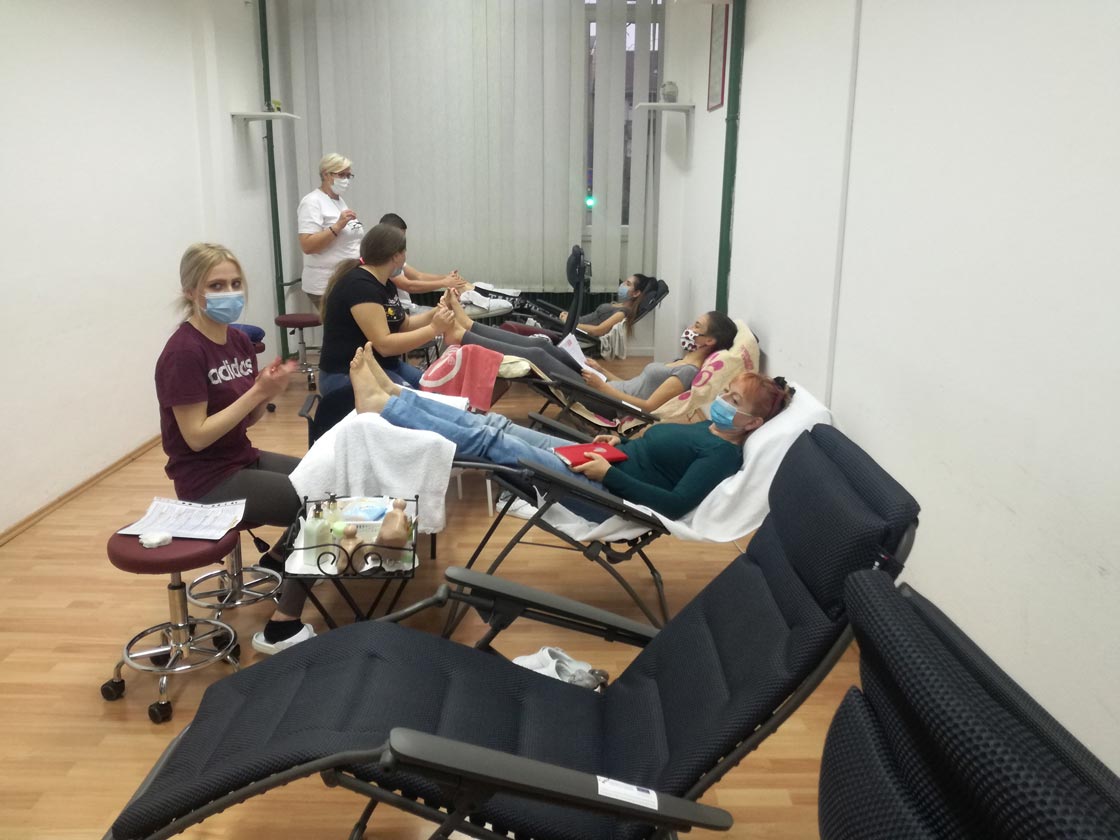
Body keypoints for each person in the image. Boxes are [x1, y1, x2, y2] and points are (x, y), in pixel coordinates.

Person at [346, 343, 794, 521]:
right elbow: (656, 457)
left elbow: (674, 505)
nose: (723, 399)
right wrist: (620, 443)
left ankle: (385, 406)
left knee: (491, 443)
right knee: (496, 424)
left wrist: (609, 475)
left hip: (603, 493)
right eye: (727, 391)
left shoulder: (722, 456)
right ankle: (397, 396)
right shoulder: (710, 430)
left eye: (734, 400)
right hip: (605, 461)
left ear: (754, 423)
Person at [154, 243, 316, 655]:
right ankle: (282, 628)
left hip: (240, 458)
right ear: (191, 291)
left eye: (235, 283)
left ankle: (278, 559)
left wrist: (266, 392)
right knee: (318, 510)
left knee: (324, 479)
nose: (229, 292)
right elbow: (196, 436)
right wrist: (257, 392)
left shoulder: (239, 341)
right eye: (216, 285)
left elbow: (247, 419)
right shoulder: (184, 353)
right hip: (206, 481)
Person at [439, 290, 736, 416]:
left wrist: (602, 387)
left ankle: (462, 334)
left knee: (538, 358)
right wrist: (604, 372)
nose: (690, 328)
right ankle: (467, 325)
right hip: (605, 386)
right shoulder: (681, 361)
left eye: (697, 326)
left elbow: (645, 408)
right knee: (543, 345)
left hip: (605, 402)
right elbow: (635, 385)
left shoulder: (687, 372)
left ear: (709, 340)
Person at [317, 223, 457, 393]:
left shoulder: (385, 283)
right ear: (396, 256)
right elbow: (385, 346)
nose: (405, 257)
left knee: (435, 389)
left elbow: (404, 325)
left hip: (383, 366)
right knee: (419, 401)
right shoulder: (360, 286)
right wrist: (434, 329)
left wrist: (439, 310)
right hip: (347, 374)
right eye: (404, 252)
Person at [500, 273, 656, 341]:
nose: (622, 285)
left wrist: (570, 322)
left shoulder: (623, 312)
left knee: (522, 306)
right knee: (522, 305)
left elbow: (598, 330)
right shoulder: (619, 305)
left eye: (628, 284)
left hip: (570, 329)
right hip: (570, 324)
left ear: (636, 293)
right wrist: (570, 318)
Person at [297, 153, 363, 310]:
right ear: (326, 174)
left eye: (348, 175)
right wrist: (337, 226)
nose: (346, 180)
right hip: (325, 283)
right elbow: (308, 245)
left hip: (347, 279)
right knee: (342, 324)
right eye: (341, 175)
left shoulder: (338, 201)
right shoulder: (312, 202)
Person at [378, 212, 471, 313]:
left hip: (409, 307)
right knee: (452, 315)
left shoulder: (394, 255)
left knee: (453, 313)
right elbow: (408, 286)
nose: (402, 242)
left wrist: (447, 278)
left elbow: (419, 276)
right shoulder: (384, 259)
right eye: (399, 237)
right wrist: (445, 282)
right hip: (402, 312)